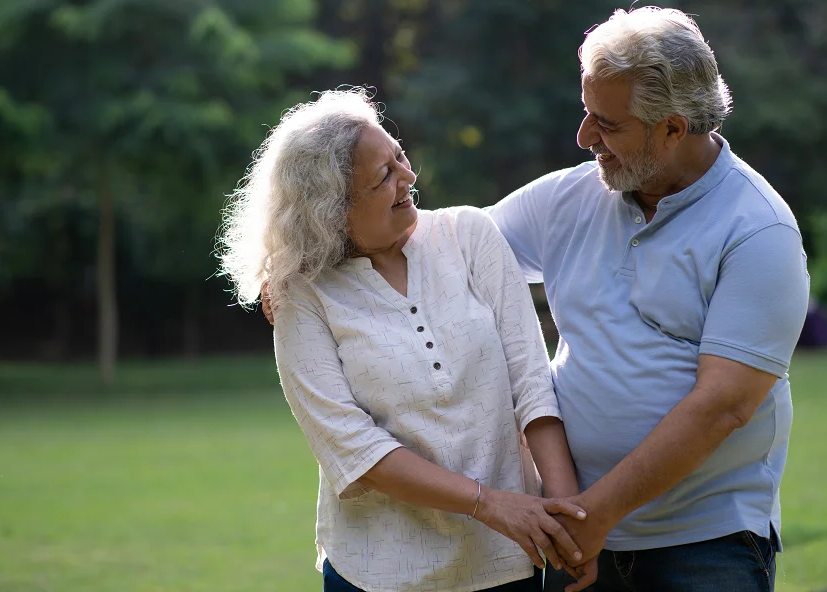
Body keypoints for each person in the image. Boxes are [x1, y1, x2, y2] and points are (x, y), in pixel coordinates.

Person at [488, 7, 810, 591]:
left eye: (606, 124)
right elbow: (446, 255)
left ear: (672, 129)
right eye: (586, 113)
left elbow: (723, 407)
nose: (585, 138)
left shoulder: (758, 229)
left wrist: (593, 517)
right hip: (574, 530)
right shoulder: (569, 198)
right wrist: (307, 270)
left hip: (706, 542)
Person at [218, 89, 588, 592]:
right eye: (384, 177)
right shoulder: (301, 297)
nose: (408, 178)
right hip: (376, 575)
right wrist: (489, 502)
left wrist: (567, 517)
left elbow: (532, 384)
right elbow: (357, 451)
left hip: (507, 565)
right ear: (334, 211)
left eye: (400, 157)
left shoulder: (471, 235)